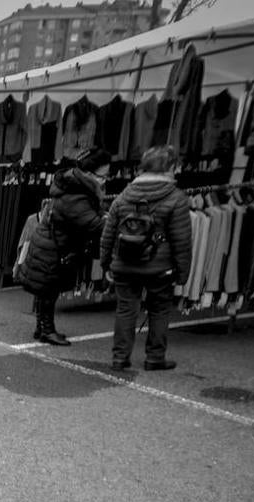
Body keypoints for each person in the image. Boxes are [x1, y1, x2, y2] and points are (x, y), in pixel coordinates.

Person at [100, 145, 192, 371]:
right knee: (159, 310)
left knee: (125, 309)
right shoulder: (176, 198)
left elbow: (108, 233)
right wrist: (183, 272)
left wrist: (106, 263)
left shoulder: (124, 195)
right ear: (170, 167)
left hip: (125, 263)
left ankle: (120, 357)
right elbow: (182, 240)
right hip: (159, 266)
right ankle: (155, 357)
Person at [18, 148, 110, 345]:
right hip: (54, 247)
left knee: (47, 290)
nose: (105, 180)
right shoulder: (76, 194)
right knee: (49, 291)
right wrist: (110, 220)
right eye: (103, 176)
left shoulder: (73, 186)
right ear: (89, 174)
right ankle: (47, 330)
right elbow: (92, 224)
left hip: (52, 244)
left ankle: (42, 328)